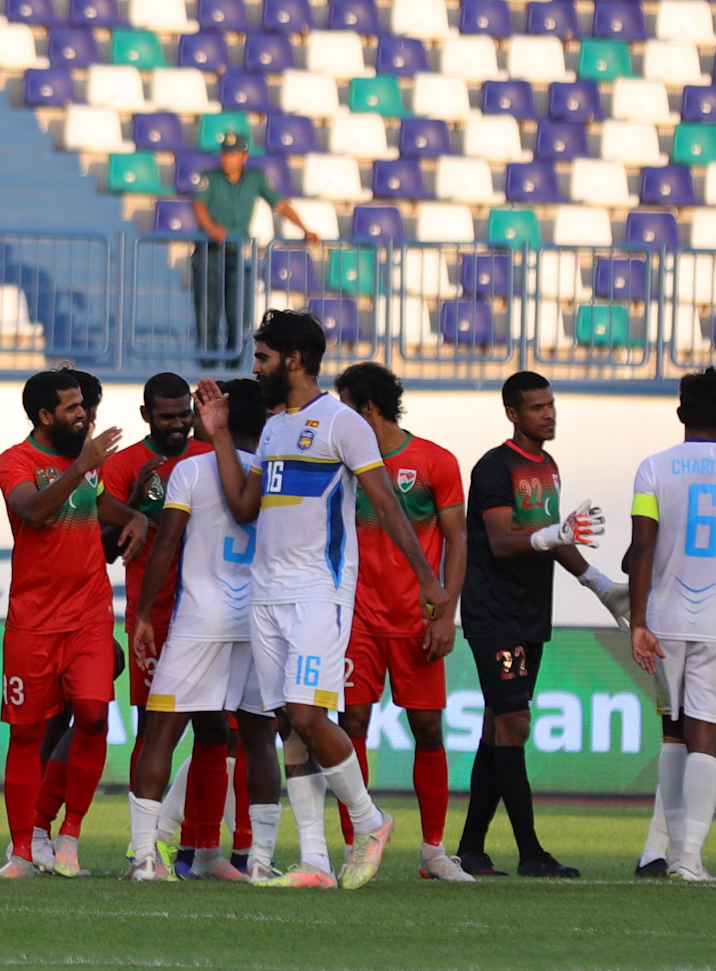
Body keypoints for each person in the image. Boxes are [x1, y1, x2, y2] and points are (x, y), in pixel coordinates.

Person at [197, 310, 443, 889]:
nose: (255, 368)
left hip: (318, 591)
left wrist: (427, 579)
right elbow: (243, 506)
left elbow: (385, 504)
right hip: (267, 592)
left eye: (262, 358)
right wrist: (221, 434)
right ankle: (314, 862)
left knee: (309, 714)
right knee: (290, 723)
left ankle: (370, 820)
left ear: (295, 359)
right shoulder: (278, 427)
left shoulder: (342, 423)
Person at [453, 371, 623, 878]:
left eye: (550, 405)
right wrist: (554, 532)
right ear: (512, 413)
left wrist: (598, 583)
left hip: (529, 612)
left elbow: (552, 539)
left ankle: (471, 851)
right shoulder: (494, 467)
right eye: (536, 407)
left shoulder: (546, 466)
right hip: (493, 611)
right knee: (516, 723)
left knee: (498, 725)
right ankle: (531, 852)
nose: (547, 414)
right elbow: (504, 540)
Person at [0, 369, 150, 879]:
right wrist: (82, 464)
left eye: (84, 404)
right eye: (72, 407)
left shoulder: (88, 465)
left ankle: (70, 835)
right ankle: (20, 851)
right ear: (44, 416)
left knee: (95, 715)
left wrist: (135, 519)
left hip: (88, 618)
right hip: (33, 623)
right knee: (25, 734)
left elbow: (101, 503)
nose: (84, 414)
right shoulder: (16, 461)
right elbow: (33, 511)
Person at [627, 368, 716, 883]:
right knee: (707, 739)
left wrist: (638, 622)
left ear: (679, 411)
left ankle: (666, 854)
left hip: (665, 617)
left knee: (673, 734)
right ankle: (690, 858)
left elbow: (641, 548)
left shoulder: (652, 469)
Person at [129, 377, 275, 882]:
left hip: (201, 619)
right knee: (258, 739)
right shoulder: (275, 474)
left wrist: (145, 612)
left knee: (161, 734)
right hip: (260, 618)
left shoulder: (191, 469)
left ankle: (147, 857)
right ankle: (258, 860)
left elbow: (166, 545)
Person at [333, 363, 472, 881]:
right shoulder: (342, 464)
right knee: (352, 727)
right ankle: (357, 844)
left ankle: (433, 851)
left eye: (344, 406)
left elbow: (457, 539)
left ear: (366, 408)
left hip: (417, 619)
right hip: (357, 619)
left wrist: (446, 612)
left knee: (427, 727)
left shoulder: (434, 461)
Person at [101, 372, 214, 863]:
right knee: (152, 728)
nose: (177, 425)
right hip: (153, 614)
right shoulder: (125, 465)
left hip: (207, 612)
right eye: (166, 417)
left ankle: (201, 845)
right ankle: (143, 840)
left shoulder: (209, 459)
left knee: (216, 729)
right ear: (146, 415)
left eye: (183, 416)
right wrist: (131, 508)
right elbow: (106, 545)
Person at [189, 133, 318, 363]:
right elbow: (199, 204)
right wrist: (211, 228)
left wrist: (304, 228)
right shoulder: (210, 177)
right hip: (210, 254)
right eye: (224, 153)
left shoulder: (255, 179)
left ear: (244, 156)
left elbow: (281, 204)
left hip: (237, 256)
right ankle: (206, 367)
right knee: (207, 315)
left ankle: (232, 367)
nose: (226, 158)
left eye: (232, 154)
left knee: (238, 316)